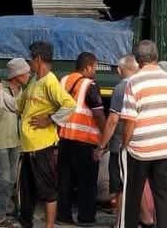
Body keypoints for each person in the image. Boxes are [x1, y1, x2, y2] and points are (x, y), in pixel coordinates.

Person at [119, 40, 167, 228]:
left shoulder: (133, 82)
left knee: (132, 197)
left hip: (138, 151)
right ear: (156, 57)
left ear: (138, 60)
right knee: (164, 199)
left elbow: (129, 120)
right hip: (164, 149)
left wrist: (125, 144)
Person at [17, 41, 76, 228]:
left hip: (41, 146)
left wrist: (49, 119)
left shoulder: (50, 82)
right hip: (28, 146)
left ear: (39, 59)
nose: (29, 64)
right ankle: (26, 222)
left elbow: (69, 104)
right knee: (27, 190)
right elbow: (20, 106)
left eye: (31, 60)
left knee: (47, 190)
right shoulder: (34, 80)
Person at [96, 54, 152, 228]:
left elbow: (113, 120)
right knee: (136, 182)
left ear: (120, 70)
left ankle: (120, 222)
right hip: (142, 144)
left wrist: (101, 145)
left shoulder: (121, 88)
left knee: (120, 185)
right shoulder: (145, 85)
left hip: (121, 145)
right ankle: (146, 219)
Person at [57, 53, 107, 227]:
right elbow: (98, 114)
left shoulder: (63, 81)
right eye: (94, 67)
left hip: (64, 138)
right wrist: (105, 134)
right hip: (85, 140)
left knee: (65, 179)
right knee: (87, 181)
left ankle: (63, 216)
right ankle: (86, 218)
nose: (95, 71)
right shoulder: (89, 85)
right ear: (87, 67)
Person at [0, 58, 30, 228]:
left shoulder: (22, 92)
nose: (29, 75)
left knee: (11, 180)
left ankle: (0, 215)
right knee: (4, 177)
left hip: (15, 141)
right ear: (17, 75)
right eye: (26, 72)